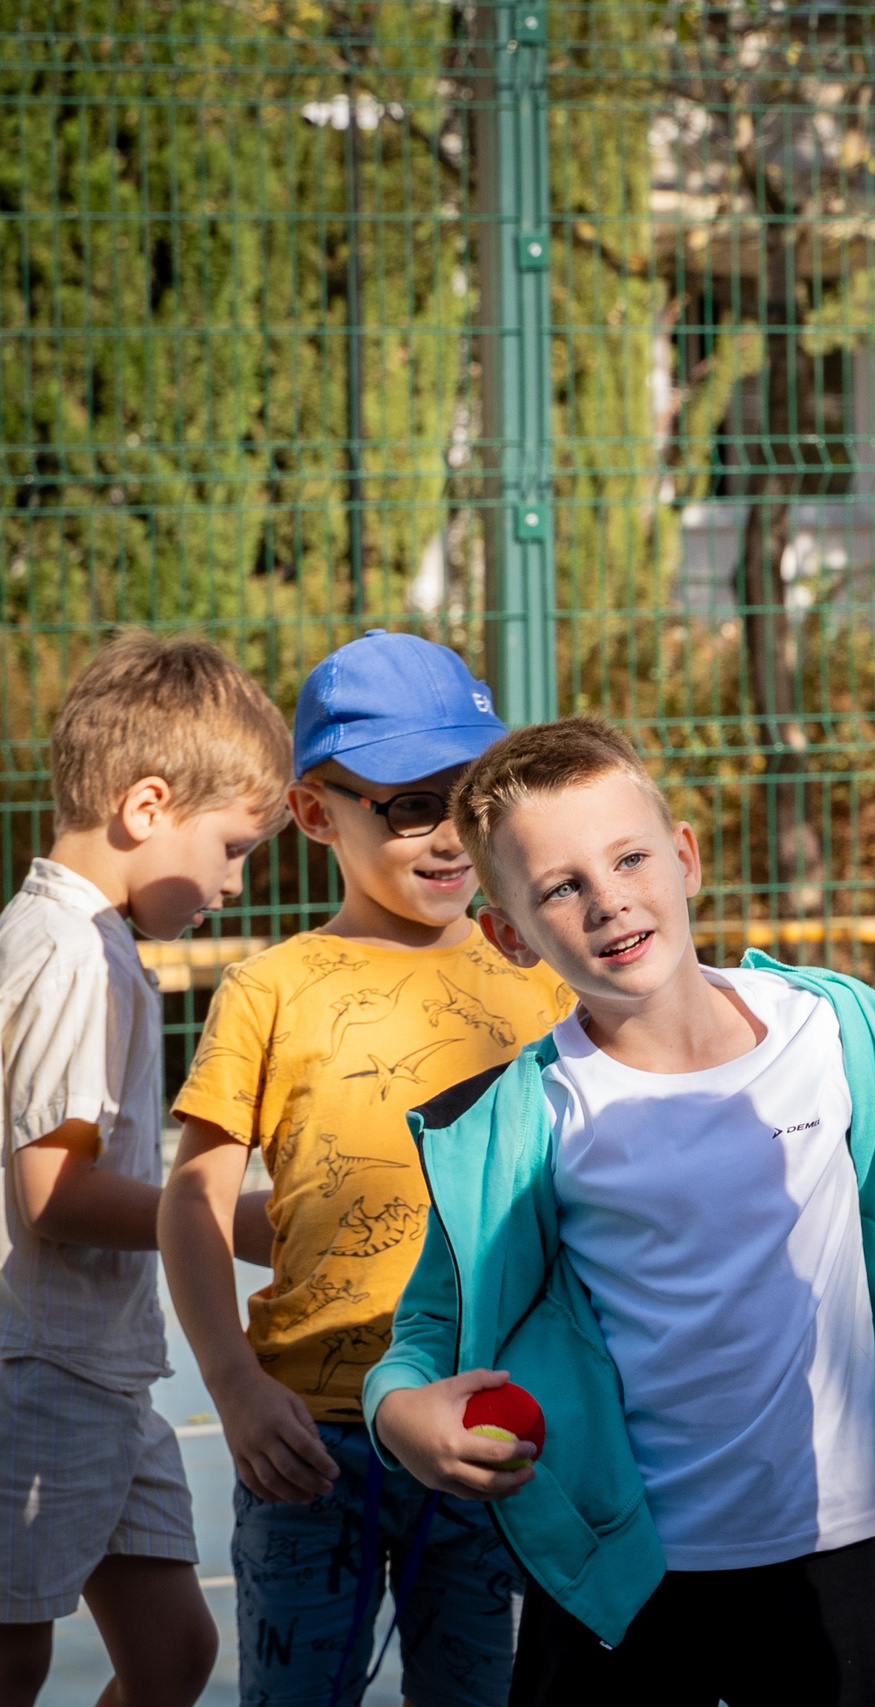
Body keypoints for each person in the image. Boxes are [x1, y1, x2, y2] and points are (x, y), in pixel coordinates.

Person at [364, 716, 875, 1707]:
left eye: (629, 858)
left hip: (825, 1551)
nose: (609, 901)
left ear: (685, 857)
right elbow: (422, 1336)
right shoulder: (527, 1116)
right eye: (561, 887)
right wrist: (403, 1416)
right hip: (618, 1571)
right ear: (508, 934)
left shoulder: (835, 1035)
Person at [159, 630, 571, 1707]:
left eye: (467, 796)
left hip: (491, 1429)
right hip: (308, 1446)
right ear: (312, 811)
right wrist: (235, 1388)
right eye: (407, 805)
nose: (448, 837)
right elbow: (194, 1201)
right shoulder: (268, 990)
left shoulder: (546, 978)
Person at [2, 633, 291, 1707]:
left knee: (172, 1656)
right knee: (13, 1650)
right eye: (230, 847)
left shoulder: (83, 941)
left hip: (102, 1375)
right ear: (147, 807)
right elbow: (52, 1198)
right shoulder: (73, 953)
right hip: (41, 1376)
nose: (234, 880)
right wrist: (225, 1219)